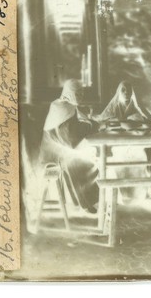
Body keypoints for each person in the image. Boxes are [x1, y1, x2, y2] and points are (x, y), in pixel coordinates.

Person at [39, 79, 99, 213]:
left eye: (82, 93)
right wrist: (91, 126)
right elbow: (71, 139)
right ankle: (88, 202)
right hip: (53, 154)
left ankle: (90, 201)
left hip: (60, 147)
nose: (81, 96)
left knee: (90, 156)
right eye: (78, 93)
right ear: (69, 93)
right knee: (86, 162)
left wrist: (89, 124)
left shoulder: (65, 105)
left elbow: (73, 130)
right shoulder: (61, 107)